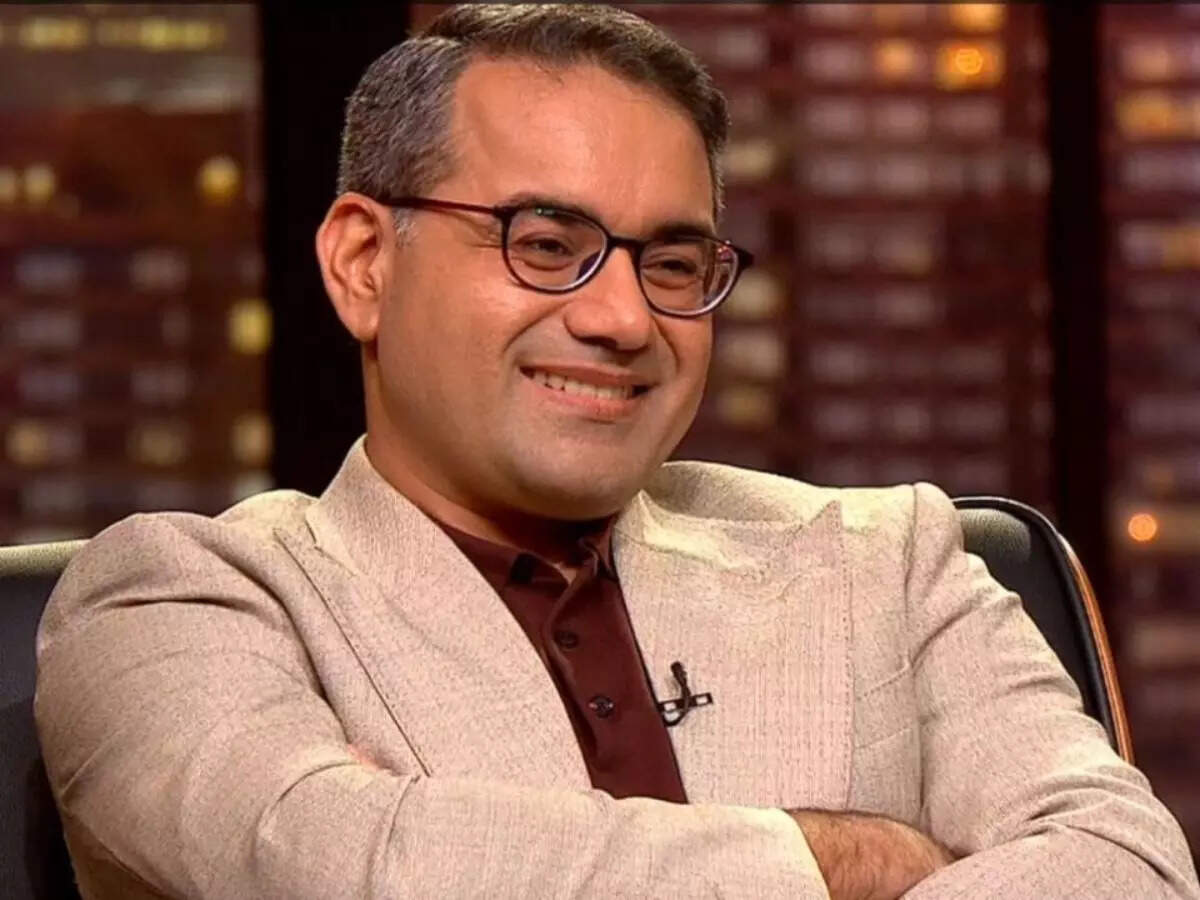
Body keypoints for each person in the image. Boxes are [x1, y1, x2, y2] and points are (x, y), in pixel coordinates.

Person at [35, 5, 1200, 899]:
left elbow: (1125, 868)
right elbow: (355, 865)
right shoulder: (179, 602)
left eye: (674, 264)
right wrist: (842, 859)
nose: (624, 319)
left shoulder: (890, 560)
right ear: (362, 264)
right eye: (546, 244)